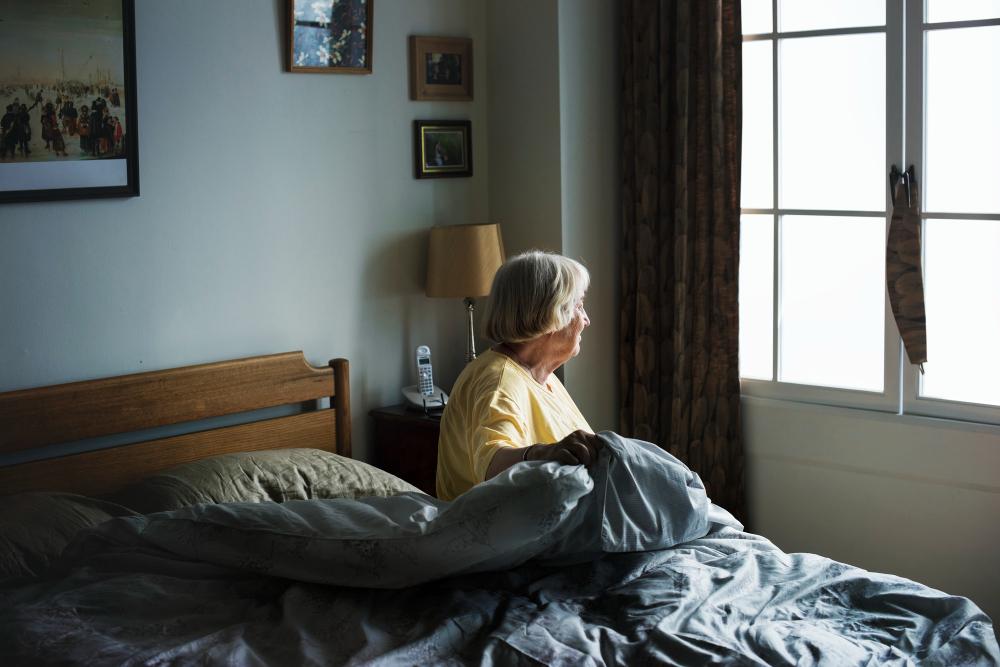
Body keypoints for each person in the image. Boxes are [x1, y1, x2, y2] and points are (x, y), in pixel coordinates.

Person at [435, 250, 603, 501]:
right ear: (551, 313)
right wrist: (545, 454)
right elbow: (492, 465)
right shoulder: (499, 380)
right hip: (496, 532)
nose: (586, 320)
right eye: (579, 306)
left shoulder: (542, 377)